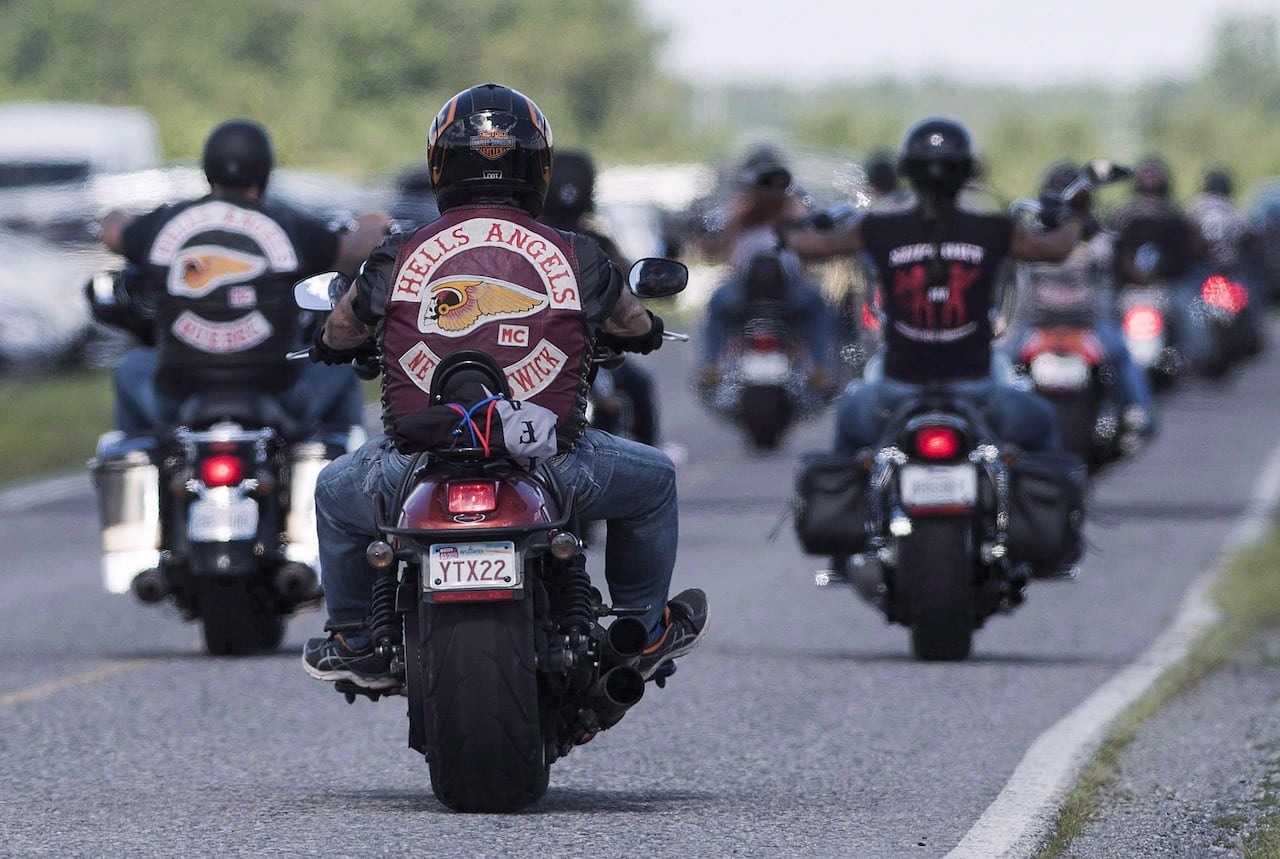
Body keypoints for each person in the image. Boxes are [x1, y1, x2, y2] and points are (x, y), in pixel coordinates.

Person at [300, 83, 708, 690]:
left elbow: (340, 327)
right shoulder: (576, 252)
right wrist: (645, 331)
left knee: (335, 492)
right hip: (555, 460)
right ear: (535, 165)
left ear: (441, 163)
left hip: (414, 462)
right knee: (653, 483)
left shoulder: (397, 254)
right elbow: (632, 321)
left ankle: (356, 637)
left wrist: (333, 343)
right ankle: (642, 628)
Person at [782, 117, 1093, 457]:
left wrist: (787, 228)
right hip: (977, 388)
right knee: (1043, 421)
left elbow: (813, 246)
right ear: (967, 173)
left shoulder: (876, 228)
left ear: (908, 173)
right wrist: (1075, 221)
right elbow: (1055, 249)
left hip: (897, 387)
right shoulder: (995, 228)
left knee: (848, 427)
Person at [97, 119, 387, 440]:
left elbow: (112, 233)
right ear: (264, 172)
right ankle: (341, 476)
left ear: (208, 170)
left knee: (131, 367)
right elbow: (360, 250)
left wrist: (115, 216)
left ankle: (146, 464)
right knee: (341, 365)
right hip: (278, 392)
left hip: (177, 396)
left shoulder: (164, 224)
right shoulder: (288, 225)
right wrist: (372, 224)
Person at [1007, 161, 1157, 449]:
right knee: (1124, 360)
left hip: (1049, 325)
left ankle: (1137, 414)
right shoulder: (1098, 238)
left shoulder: (1031, 237)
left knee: (1004, 363)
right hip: (1082, 324)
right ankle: (1139, 413)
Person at [540, 149, 660, 446]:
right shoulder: (593, 244)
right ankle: (649, 453)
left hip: (532, 353)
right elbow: (630, 296)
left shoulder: (526, 238)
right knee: (656, 471)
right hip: (582, 349)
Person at [697, 145, 838, 393]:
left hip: (788, 290)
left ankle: (819, 367)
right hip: (743, 292)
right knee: (717, 301)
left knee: (818, 303)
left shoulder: (793, 208)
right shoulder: (740, 210)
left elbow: (811, 244)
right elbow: (722, 246)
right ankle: (711, 364)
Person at [1107, 157, 1212, 372]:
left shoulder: (1176, 218)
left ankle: (1197, 362)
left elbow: (1189, 253)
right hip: (1129, 290)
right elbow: (1111, 251)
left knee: (1193, 313)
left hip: (1167, 287)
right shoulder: (1121, 217)